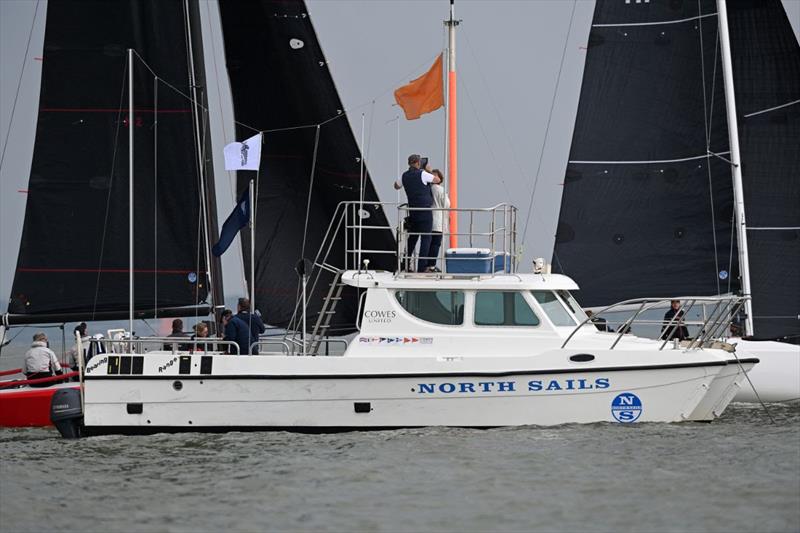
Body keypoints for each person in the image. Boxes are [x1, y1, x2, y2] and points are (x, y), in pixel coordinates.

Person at [400, 154, 441, 272]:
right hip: (425, 212)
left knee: (412, 239)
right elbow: (437, 180)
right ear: (418, 163)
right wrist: (428, 170)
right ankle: (422, 267)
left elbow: (396, 186)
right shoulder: (423, 174)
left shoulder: (404, 175)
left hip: (413, 212)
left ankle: (404, 263)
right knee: (426, 239)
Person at [427, 168, 450, 272]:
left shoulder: (427, 188)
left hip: (428, 219)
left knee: (428, 243)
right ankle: (431, 266)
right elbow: (447, 204)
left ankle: (426, 264)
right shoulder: (440, 189)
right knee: (436, 244)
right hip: (438, 220)